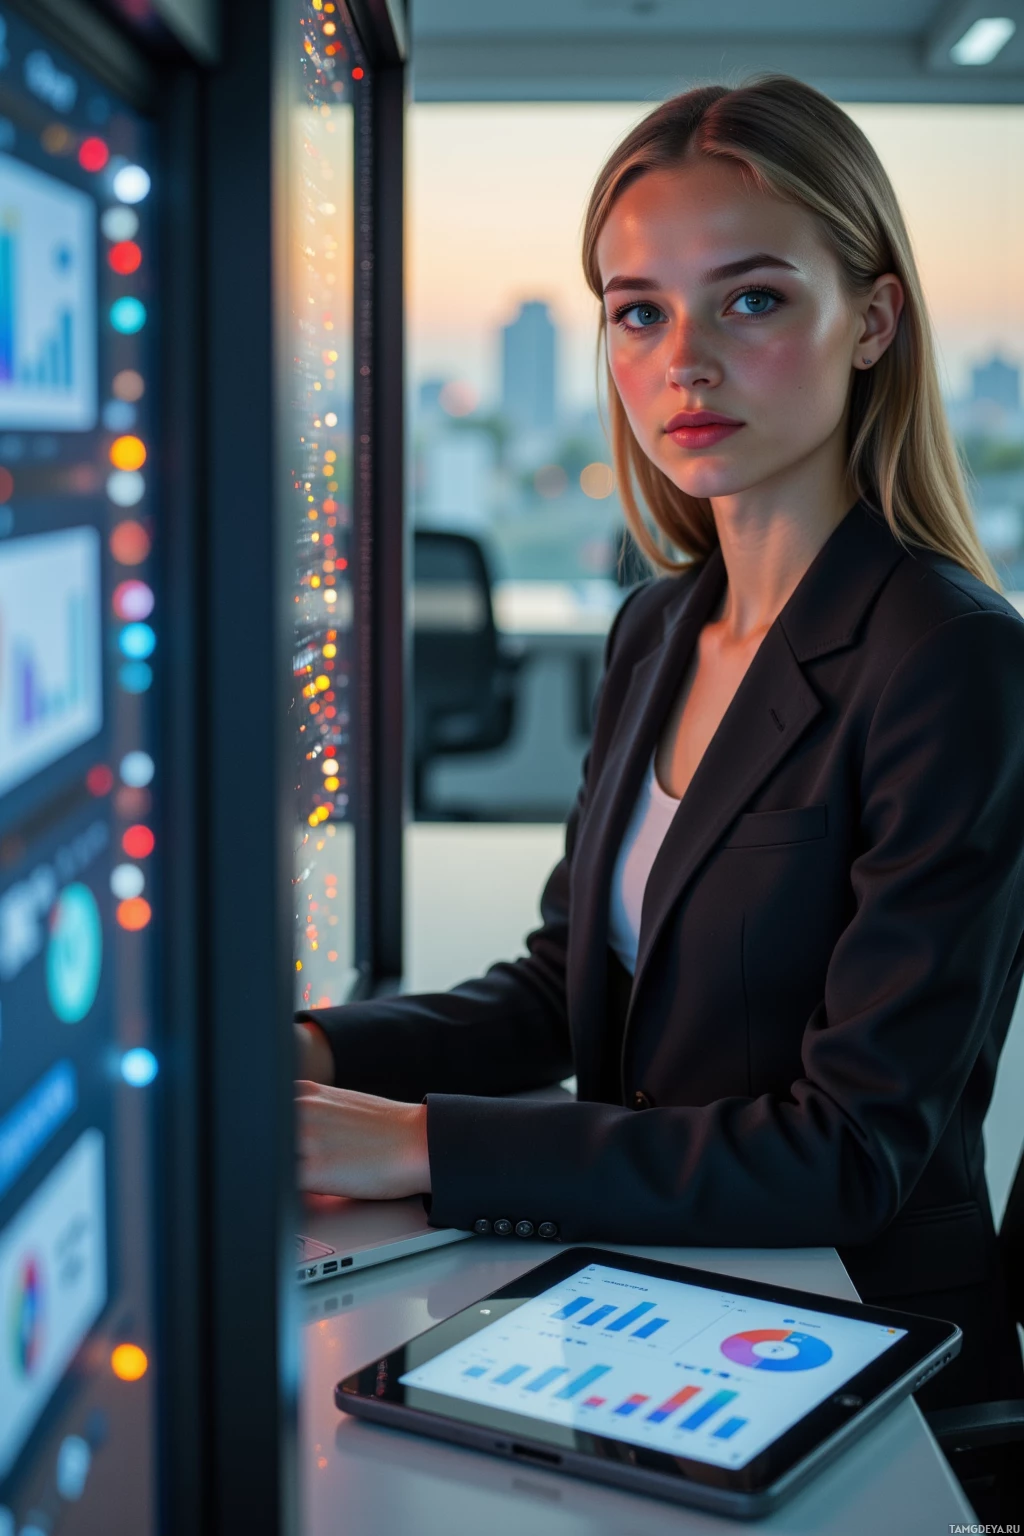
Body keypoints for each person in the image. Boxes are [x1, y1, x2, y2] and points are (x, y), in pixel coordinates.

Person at [294, 75, 1024, 1414]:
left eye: (751, 299)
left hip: (852, 1334)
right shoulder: (662, 627)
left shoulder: (950, 658)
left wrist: (418, 1147)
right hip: (652, 1286)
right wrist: (316, 1054)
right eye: (641, 311)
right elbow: (560, 991)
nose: (684, 359)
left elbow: (851, 1150)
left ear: (872, 321)